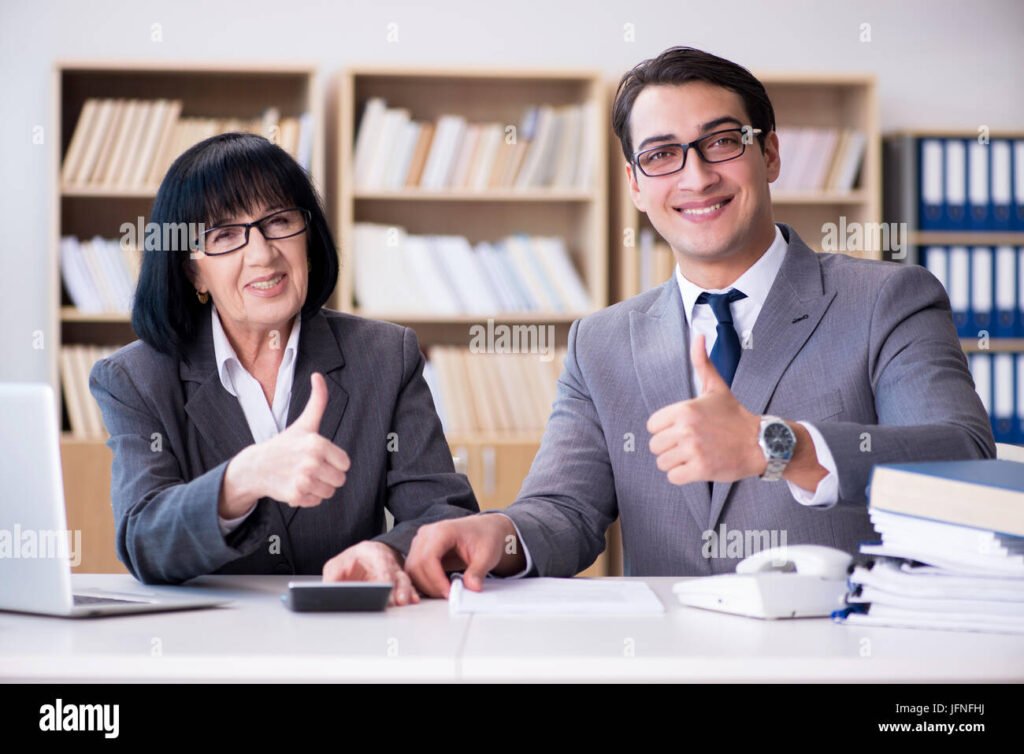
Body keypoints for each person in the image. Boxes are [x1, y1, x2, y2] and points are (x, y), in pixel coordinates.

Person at [403, 46, 995, 597]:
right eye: (662, 155)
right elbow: (566, 509)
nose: (696, 177)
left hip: (840, 653)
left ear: (769, 154)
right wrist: (499, 536)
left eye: (722, 142)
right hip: (673, 661)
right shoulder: (602, 341)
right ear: (635, 184)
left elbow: (960, 460)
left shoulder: (886, 299)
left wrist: (777, 446)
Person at [89, 132, 477, 604]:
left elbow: (445, 514)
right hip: (203, 650)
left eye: (278, 222)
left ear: (308, 238)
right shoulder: (135, 379)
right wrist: (245, 476)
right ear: (193, 270)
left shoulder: (385, 355)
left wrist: (386, 553)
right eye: (226, 235)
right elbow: (144, 541)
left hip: (350, 635)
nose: (263, 254)